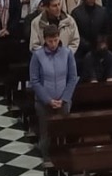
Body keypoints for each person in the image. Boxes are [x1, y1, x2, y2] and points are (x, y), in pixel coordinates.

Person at [30, 23, 78, 159]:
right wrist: (48, 100)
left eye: (56, 40)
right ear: (44, 40)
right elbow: (35, 80)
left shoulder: (67, 53)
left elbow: (72, 78)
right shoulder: (37, 56)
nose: (53, 44)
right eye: (50, 41)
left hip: (63, 102)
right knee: (46, 133)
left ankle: (62, 159)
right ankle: (47, 160)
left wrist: (63, 99)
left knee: (62, 132)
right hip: (44, 103)